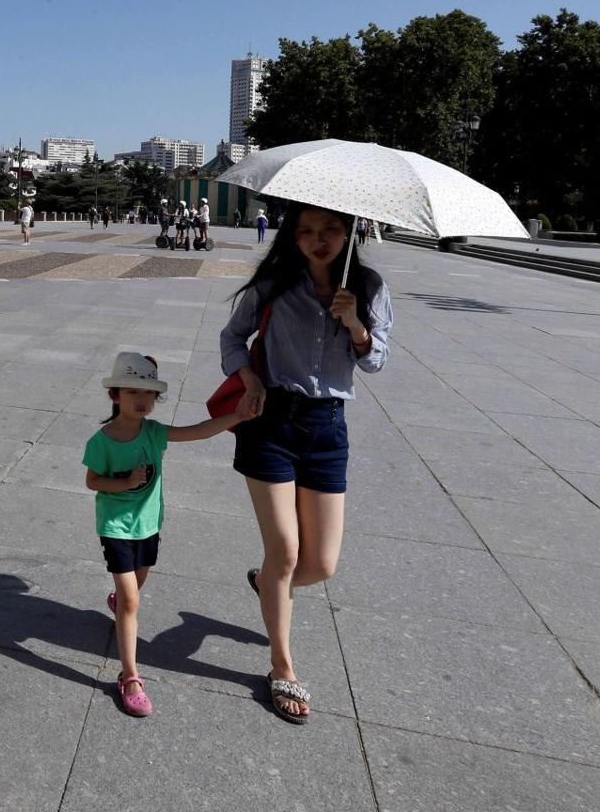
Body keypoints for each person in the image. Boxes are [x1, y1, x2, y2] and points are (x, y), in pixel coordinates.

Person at [219, 201, 393, 725]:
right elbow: (232, 338)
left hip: (327, 428)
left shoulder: (368, 286)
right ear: (292, 236)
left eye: (331, 231)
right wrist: (248, 378)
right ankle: (282, 666)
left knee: (321, 565)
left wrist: (355, 324)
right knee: (288, 552)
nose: (319, 240)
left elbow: (378, 358)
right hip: (270, 420)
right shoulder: (273, 283)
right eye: (308, 231)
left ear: (351, 233)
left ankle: (269, 581)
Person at [84, 352, 254, 717]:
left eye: (149, 394)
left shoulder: (155, 433)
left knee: (138, 583)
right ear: (115, 396)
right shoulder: (102, 441)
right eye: (133, 392)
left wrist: (236, 417)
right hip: (115, 526)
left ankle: (121, 602)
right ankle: (129, 675)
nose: (142, 400)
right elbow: (91, 481)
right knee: (132, 600)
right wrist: (125, 482)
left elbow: (195, 431)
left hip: (148, 524)